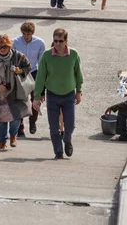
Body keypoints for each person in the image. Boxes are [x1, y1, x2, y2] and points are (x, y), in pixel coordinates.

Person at [33, 28, 83, 159]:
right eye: (55, 41)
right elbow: (40, 77)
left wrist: (79, 91)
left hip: (69, 94)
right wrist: (37, 97)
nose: (58, 44)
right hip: (52, 95)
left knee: (70, 125)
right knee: (54, 127)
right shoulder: (47, 55)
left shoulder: (73, 54)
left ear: (66, 41)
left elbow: (78, 74)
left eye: (61, 41)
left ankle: (67, 139)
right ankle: (58, 151)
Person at [0, 35, 32, 150]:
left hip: (16, 92)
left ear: (9, 45)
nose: (3, 49)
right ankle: (2, 141)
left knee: (16, 118)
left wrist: (20, 70)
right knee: (1, 120)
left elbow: (28, 67)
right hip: (0, 95)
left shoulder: (18, 56)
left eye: (5, 46)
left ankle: (13, 136)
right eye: (0, 47)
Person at [13, 21, 46, 135]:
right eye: (24, 34)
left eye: (28, 34)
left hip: (34, 72)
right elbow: (12, 59)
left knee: (34, 99)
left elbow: (42, 61)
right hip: (20, 73)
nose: (26, 37)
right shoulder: (15, 42)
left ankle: (33, 121)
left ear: (32, 33)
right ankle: (20, 125)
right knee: (20, 99)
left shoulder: (40, 43)